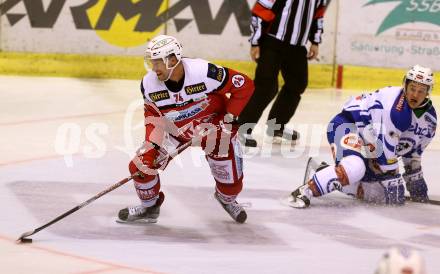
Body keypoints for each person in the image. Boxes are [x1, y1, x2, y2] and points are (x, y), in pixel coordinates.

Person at [117, 35, 254, 223]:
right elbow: (154, 120)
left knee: (231, 187)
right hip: (174, 132)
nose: (153, 68)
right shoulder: (149, 84)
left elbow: (244, 85)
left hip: (214, 129)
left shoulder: (204, 72)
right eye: (151, 62)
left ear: (173, 60)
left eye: (158, 62)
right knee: (139, 165)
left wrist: (229, 118)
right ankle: (150, 207)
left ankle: (226, 199)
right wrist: (151, 148)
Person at [287, 65, 436, 208]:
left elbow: (412, 156)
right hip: (347, 126)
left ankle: (322, 171)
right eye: (412, 88)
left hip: (372, 145)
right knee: (355, 168)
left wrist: (418, 191)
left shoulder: (430, 121)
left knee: (379, 195)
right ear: (405, 85)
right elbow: (387, 154)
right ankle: (304, 191)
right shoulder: (395, 109)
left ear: (428, 92)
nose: (415, 95)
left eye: (421, 91)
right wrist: (393, 178)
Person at [238, 0, 330, 147]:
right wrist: (255, 42)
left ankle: (276, 126)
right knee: (266, 86)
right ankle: (242, 128)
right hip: (272, 42)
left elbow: (317, 15)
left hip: (297, 47)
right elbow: (260, 11)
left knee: (297, 84)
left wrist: (315, 41)